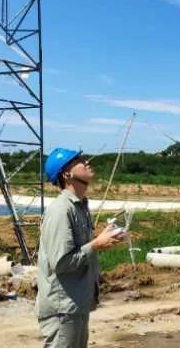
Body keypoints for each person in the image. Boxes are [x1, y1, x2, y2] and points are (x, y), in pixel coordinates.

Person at [36, 147, 125, 348]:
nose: (86, 162)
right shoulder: (61, 210)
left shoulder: (80, 206)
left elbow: (81, 250)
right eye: (78, 160)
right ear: (66, 174)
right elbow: (62, 263)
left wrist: (105, 239)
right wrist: (96, 244)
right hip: (63, 308)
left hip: (76, 303)